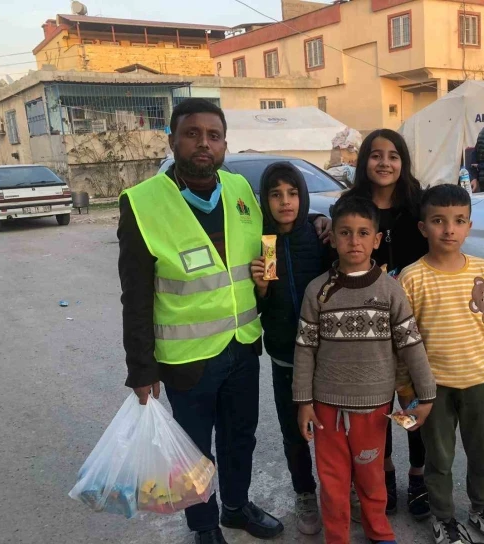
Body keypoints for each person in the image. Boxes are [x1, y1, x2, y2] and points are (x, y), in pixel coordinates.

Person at [117, 98, 329, 544]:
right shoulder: (142, 203)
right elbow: (134, 296)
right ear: (172, 141)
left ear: (225, 144)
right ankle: (204, 525)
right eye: (192, 134)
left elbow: (274, 231)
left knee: (240, 438)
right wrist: (141, 368)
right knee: (193, 451)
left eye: (213, 135)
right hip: (185, 358)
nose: (203, 143)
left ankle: (235, 507)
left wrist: (318, 220)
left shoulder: (239, 191)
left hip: (242, 347)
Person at [293, 196, 437, 544]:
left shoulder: (390, 290)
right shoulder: (318, 291)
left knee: (371, 476)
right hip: (326, 408)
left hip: (374, 408)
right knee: (333, 480)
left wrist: (426, 395)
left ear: (376, 239)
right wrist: (304, 402)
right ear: (333, 238)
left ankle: (378, 529)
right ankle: (337, 536)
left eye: (363, 233)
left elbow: (410, 343)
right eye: (345, 232)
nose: (353, 241)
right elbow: (305, 349)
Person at [399, 184, 484, 544]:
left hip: (480, 381)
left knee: (483, 454)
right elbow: (402, 342)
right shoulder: (411, 278)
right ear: (423, 228)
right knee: (439, 459)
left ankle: (480, 508)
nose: (449, 229)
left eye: (458, 221)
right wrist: (405, 390)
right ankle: (444, 518)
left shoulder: (482, 272)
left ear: (468, 225)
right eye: (438, 221)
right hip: (432, 389)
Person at [342, 129, 431, 519]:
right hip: (370, 327)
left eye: (392, 156)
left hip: (414, 325)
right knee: (377, 408)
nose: (384, 163)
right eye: (375, 155)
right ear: (364, 161)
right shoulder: (351, 205)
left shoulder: (418, 205)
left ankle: (418, 476)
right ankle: (384, 472)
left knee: (414, 404)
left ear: (403, 162)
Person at [249, 162, 332, 536]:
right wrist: (262, 290)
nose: (285, 202)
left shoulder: (318, 236)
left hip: (329, 356)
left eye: (293, 193)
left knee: (332, 428)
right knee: (293, 432)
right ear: (265, 200)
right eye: (276, 194)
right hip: (285, 355)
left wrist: (319, 219)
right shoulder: (263, 243)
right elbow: (260, 307)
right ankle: (305, 493)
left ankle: (340, 488)